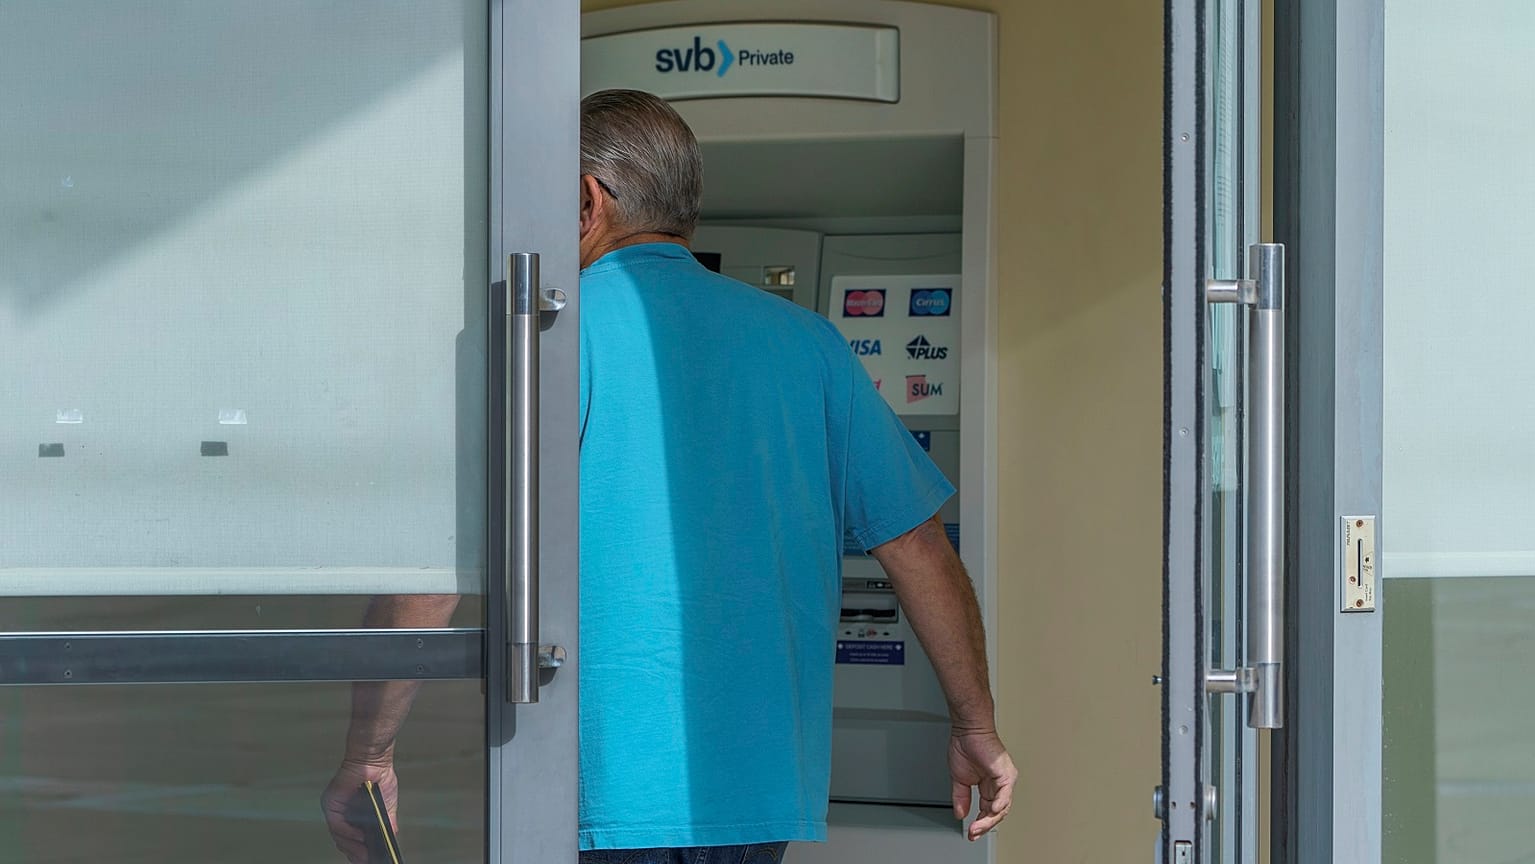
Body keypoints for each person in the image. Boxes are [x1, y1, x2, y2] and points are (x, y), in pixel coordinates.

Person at [323, 88, 1016, 864]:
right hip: (758, 799)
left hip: (590, 792)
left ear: (587, 199)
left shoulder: (537, 341)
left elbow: (432, 571)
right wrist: (975, 727)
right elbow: (920, 549)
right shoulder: (811, 344)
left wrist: (369, 753)